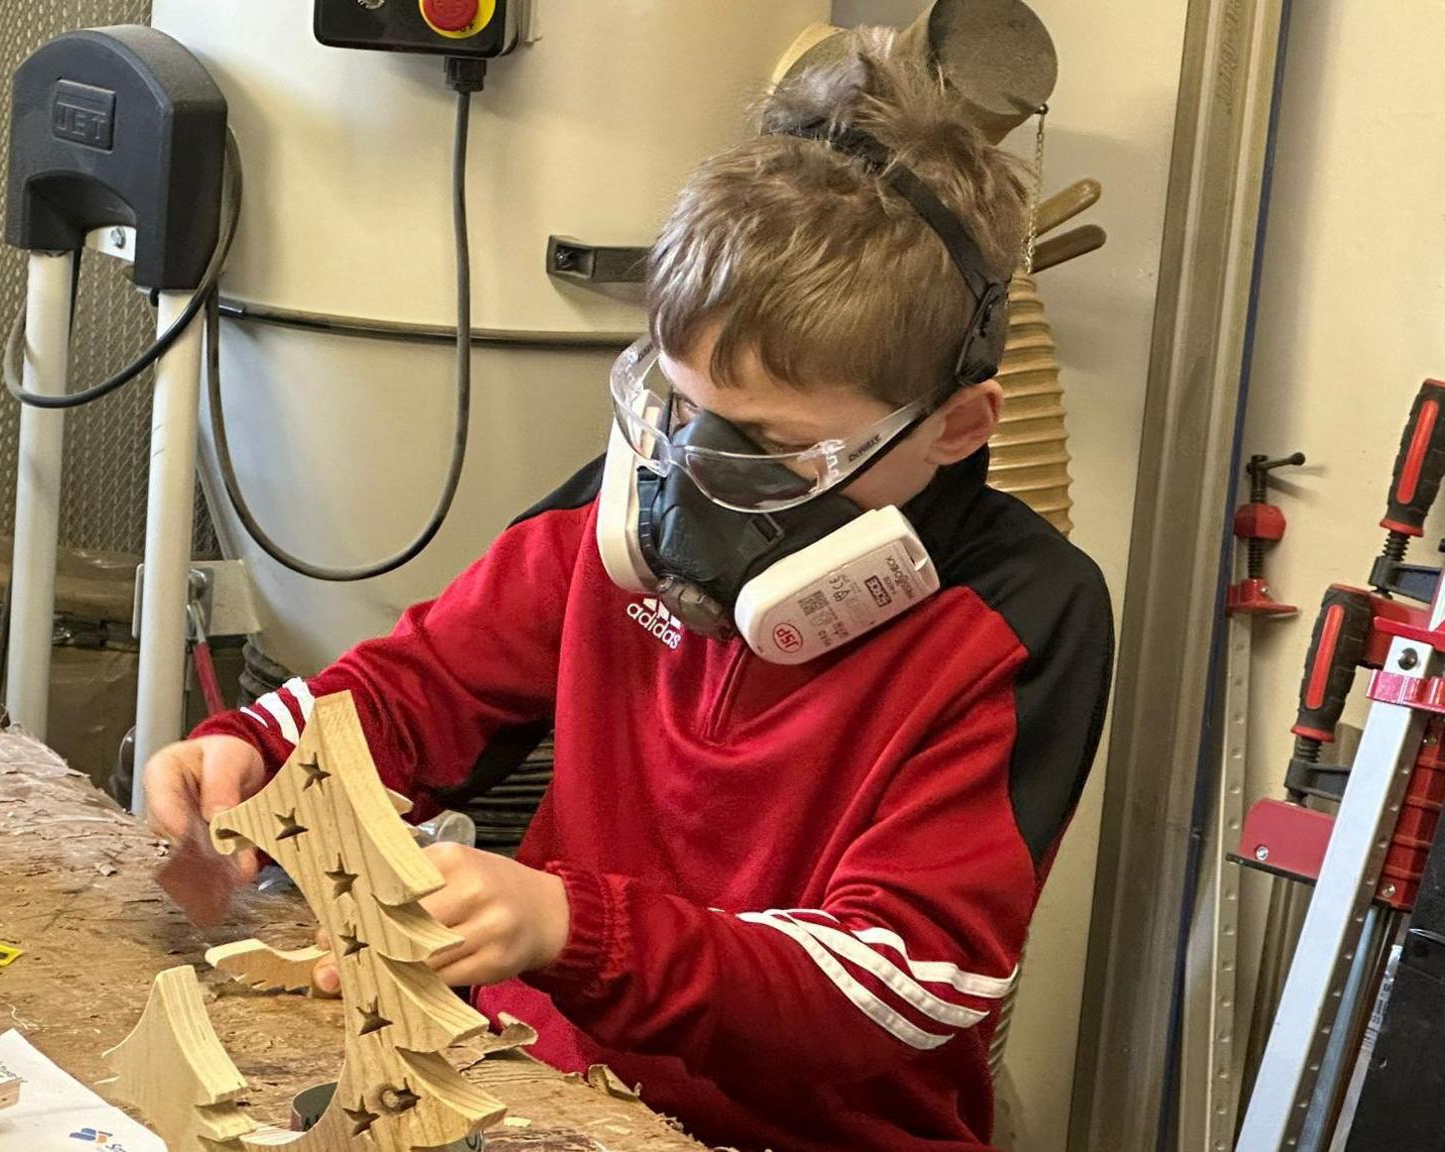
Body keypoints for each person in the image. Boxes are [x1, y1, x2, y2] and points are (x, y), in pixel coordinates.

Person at [145, 30, 1114, 1152]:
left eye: (775, 447)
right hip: (546, 1098)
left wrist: (569, 927)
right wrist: (264, 750)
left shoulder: (1015, 622)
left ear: (955, 427)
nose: (695, 474)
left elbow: (897, 993)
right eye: (682, 403)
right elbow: (421, 690)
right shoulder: (616, 518)